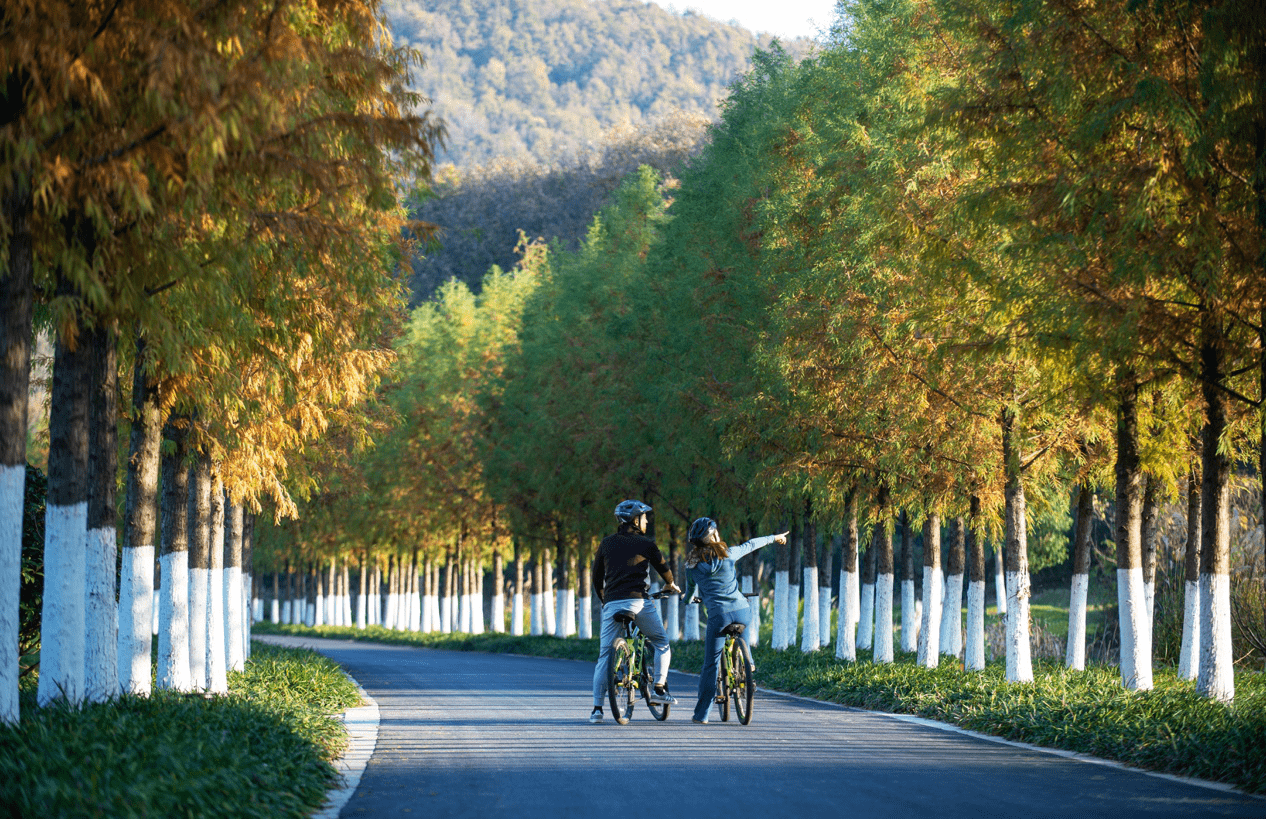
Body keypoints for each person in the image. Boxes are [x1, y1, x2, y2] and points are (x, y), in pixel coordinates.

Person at [684, 517, 787, 724]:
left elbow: (688, 594)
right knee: (743, 630)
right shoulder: (729, 554)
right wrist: (774, 538)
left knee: (710, 665)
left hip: (718, 616)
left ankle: (702, 715)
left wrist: (689, 600)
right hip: (741, 610)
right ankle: (748, 662)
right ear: (714, 536)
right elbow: (751, 544)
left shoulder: (691, 566)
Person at [588, 499, 681, 724]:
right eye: (644, 517)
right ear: (635, 520)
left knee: (604, 656)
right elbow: (664, 568)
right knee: (661, 641)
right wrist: (670, 584)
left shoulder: (606, 543)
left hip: (611, 604)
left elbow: (596, 577)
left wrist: (605, 600)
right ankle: (659, 687)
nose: (647, 520)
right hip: (638, 602)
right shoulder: (646, 543)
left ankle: (597, 709)